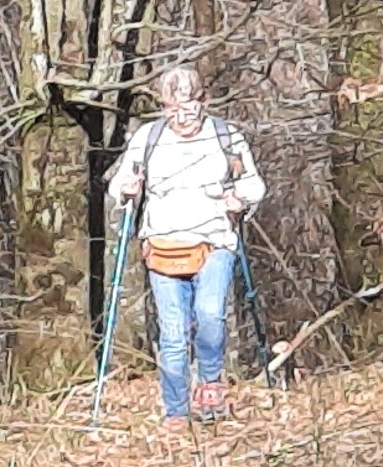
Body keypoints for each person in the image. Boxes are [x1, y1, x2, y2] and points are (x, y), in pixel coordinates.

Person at [103, 67, 268, 423]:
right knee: (174, 334)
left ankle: (210, 388)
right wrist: (126, 190)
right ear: (163, 107)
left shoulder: (226, 138)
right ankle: (176, 413)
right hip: (163, 246)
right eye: (172, 108)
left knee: (210, 317)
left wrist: (241, 200)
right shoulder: (148, 138)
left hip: (215, 240)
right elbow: (119, 185)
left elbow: (254, 184)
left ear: (203, 102)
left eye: (189, 107)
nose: (182, 117)